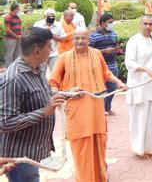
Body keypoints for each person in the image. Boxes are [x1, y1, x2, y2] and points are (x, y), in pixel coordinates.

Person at [49, 28, 127, 182]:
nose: (80, 41)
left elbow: (106, 73)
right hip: (77, 109)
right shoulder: (64, 58)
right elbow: (53, 83)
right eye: (77, 38)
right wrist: (65, 92)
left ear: (89, 40)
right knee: (81, 145)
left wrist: (119, 82)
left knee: (100, 140)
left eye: (83, 38)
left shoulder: (97, 54)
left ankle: (100, 176)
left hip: (96, 107)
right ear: (72, 40)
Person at [0, 28, 65, 182]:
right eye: (49, 47)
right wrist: (44, 112)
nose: (51, 51)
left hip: (33, 150)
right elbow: (4, 122)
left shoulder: (38, 68)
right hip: (19, 156)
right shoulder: (14, 79)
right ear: (37, 51)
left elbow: (45, 93)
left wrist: (65, 94)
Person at [125, 15, 152, 158]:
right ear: (140, 24)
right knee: (141, 117)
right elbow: (129, 63)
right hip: (140, 85)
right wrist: (147, 70)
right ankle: (140, 149)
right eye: (145, 24)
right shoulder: (134, 41)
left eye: (151, 24)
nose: (148, 27)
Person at [89, 13, 119, 116]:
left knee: (112, 88)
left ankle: (107, 107)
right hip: (98, 65)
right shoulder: (94, 36)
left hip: (112, 64)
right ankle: (99, 109)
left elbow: (116, 47)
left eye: (112, 22)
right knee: (100, 88)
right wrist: (104, 51)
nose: (112, 24)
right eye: (109, 22)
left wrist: (118, 50)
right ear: (102, 23)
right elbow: (89, 51)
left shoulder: (114, 34)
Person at [33, 8, 66, 73]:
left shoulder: (58, 25)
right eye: (49, 16)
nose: (51, 18)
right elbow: (33, 38)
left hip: (54, 53)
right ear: (44, 17)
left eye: (53, 16)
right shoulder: (38, 25)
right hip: (41, 53)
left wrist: (51, 35)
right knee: (41, 73)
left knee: (56, 73)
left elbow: (62, 39)